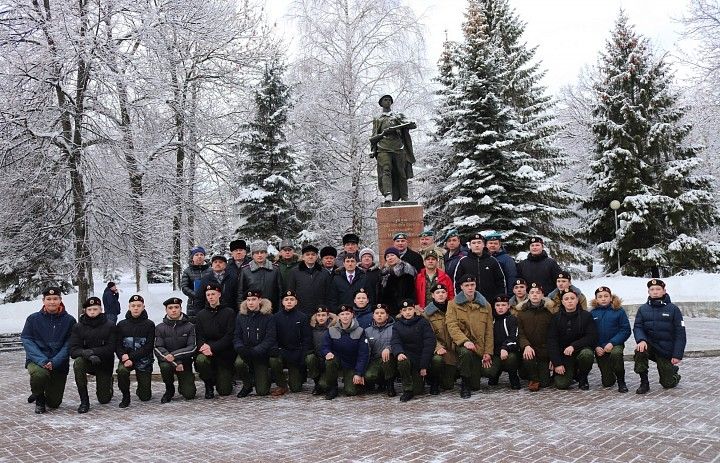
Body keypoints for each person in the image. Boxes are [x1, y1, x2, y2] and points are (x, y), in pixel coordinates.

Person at [21, 287, 76, 414]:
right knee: (40, 374)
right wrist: (42, 360)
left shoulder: (69, 320)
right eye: (49, 299)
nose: (52, 302)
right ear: (43, 300)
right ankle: (39, 397)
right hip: (36, 360)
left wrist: (54, 361)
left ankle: (38, 391)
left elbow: (69, 344)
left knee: (54, 403)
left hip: (58, 363)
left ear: (60, 300)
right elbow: (27, 340)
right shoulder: (33, 319)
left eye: (55, 299)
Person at [633, 279, 686, 394]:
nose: (655, 292)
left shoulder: (673, 309)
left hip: (665, 350)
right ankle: (644, 383)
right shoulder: (643, 309)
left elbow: (680, 333)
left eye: (658, 289)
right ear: (648, 292)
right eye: (652, 289)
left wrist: (677, 355)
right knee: (640, 351)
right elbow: (638, 327)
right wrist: (641, 340)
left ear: (664, 291)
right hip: (650, 346)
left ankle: (673, 372)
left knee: (667, 384)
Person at [446, 275, 494, 399]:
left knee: (476, 385)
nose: (470, 288)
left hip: (478, 347)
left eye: (472, 285)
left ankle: (469, 378)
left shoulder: (486, 305)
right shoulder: (453, 304)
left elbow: (489, 330)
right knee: (465, 353)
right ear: (461, 287)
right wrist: (464, 341)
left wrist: (488, 352)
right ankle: (464, 384)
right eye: (467, 285)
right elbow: (452, 325)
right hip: (461, 344)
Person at [69, 296, 116, 413]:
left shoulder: (110, 325)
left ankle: (109, 384)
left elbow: (111, 348)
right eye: (89, 310)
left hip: (104, 362)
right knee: (78, 363)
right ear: (85, 311)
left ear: (101, 309)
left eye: (95, 309)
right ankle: (84, 401)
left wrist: (94, 352)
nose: (92, 312)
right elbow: (73, 350)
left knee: (104, 399)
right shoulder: (78, 327)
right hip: (87, 361)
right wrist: (87, 354)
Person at [547, 289, 598, 390]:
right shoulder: (556, 318)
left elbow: (591, 336)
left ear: (577, 300)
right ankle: (572, 372)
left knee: (587, 354)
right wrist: (557, 363)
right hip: (564, 355)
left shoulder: (586, 316)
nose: (569, 301)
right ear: (562, 302)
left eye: (572, 298)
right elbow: (552, 341)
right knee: (561, 385)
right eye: (566, 299)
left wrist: (573, 346)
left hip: (580, 350)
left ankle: (583, 377)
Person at [370, 94, 417, 202]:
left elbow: (412, 125)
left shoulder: (398, 115)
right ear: (381, 103)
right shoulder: (377, 118)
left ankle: (405, 196)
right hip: (383, 148)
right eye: (385, 100)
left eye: (389, 100)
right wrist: (373, 150)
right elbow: (374, 136)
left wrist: (409, 124)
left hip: (398, 148)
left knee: (401, 172)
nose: (387, 102)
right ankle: (388, 194)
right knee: (386, 170)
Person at [194, 282, 236, 398]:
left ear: (219, 295)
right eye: (208, 295)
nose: (211, 297)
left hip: (224, 353)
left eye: (213, 294)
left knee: (224, 391)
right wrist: (204, 347)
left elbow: (229, 336)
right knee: (201, 360)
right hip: (207, 353)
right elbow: (199, 336)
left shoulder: (229, 312)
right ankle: (208, 384)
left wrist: (212, 347)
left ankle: (223, 377)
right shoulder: (201, 315)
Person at [321, 304, 370, 400]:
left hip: (351, 365)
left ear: (352, 315)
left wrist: (358, 373)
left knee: (350, 392)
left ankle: (354, 382)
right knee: (323, 384)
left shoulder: (360, 331)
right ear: (338, 316)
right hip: (336, 363)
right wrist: (327, 353)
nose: (345, 316)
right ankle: (333, 388)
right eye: (342, 314)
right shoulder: (331, 330)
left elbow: (363, 354)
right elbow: (324, 347)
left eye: (347, 314)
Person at [234, 289, 277, 398]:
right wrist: (240, 348)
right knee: (239, 363)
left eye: (254, 299)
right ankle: (247, 385)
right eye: (248, 300)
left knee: (262, 391)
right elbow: (237, 336)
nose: (251, 302)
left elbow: (270, 338)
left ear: (260, 300)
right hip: (245, 352)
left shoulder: (268, 317)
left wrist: (257, 350)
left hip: (261, 355)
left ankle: (266, 376)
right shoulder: (241, 316)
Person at [115, 294, 155, 408]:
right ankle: (125, 396)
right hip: (125, 358)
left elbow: (148, 347)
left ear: (143, 307)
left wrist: (130, 357)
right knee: (122, 371)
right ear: (129, 307)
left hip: (143, 360)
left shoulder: (149, 324)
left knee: (145, 397)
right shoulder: (122, 324)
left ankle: (141, 389)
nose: (136, 308)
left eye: (139, 305)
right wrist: (123, 356)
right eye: (133, 306)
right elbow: (117, 344)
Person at [392, 300, 436, 402]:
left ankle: (428, 379)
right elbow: (395, 341)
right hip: (407, 358)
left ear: (414, 310)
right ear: (401, 312)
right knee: (402, 361)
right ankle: (407, 389)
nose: (408, 312)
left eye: (410, 309)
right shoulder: (397, 325)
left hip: (420, 358)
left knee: (418, 390)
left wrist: (423, 366)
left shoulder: (423, 322)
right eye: (405, 310)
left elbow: (429, 343)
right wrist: (399, 353)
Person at [516, 282, 558, 391]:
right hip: (529, 350)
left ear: (542, 295)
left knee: (545, 383)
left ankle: (544, 374)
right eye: (532, 292)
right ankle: (533, 379)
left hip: (544, 352)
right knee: (527, 359)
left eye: (538, 293)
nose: (535, 295)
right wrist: (526, 345)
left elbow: (553, 336)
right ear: (528, 295)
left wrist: (552, 357)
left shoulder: (549, 313)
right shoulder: (521, 313)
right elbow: (520, 333)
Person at [154, 297, 197, 403]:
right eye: (170, 308)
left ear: (181, 308)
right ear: (166, 310)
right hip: (167, 362)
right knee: (164, 366)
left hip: (184, 363)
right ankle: (169, 389)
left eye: (176, 307)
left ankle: (183, 385)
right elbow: (158, 348)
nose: (174, 310)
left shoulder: (190, 327)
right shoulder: (160, 328)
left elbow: (192, 347)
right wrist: (175, 362)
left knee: (189, 394)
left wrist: (175, 357)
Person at [270, 290, 313, 396]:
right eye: (286, 299)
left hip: (296, 353)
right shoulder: (275, 317)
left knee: (296, 388)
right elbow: (272, 337)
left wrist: (301, 354)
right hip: (281, 351)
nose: (289, 302)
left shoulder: (302, 317)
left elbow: (307, 338)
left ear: (296, 302)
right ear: (282, 302)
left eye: (292, 299)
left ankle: (294, 380)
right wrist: (278, 350)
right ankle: (282, 384)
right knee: (274, 360)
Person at [591, 286, 631, 393]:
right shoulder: (592, 313)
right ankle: (611, 375)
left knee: (616, 354)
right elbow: (589, 333)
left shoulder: (619, 311)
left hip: (615, 344)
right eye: (600, 297)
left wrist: (612, 343)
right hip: (600, 347)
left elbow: (625, 330)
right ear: (596, 299)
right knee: (607, 382)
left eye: (606, 296)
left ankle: (621, 381)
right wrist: (596, 346)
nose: (603, 299)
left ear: (611, 297)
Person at [423, 283, 458, 394]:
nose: (441, 295)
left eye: (443, 292)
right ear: (433, 295)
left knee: (448, 386)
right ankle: (433, 380)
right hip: (437, 349)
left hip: (453, 348)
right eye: (437, 293)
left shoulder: (454, 309)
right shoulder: (427, 314)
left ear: (447, 294)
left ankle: (452, 374)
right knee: (437, 361)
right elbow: (428, 335)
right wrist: (437, 347)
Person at [453, 233, 506, 300]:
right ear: (470, 245)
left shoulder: (492, 261)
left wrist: (499, 300)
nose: (477, 245)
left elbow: (500, 282)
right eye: (474, 243)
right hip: (469, 302)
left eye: (479, 242)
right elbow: (457, 283)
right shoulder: (463, 261)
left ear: (483, 244)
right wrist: (461, 299)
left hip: (490, 302)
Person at [486, 295, 521, 390]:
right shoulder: (490, 320)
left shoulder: (512, 319)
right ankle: (495, 374)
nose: (500, 307)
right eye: (497, 305)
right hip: (495, 353)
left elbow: (514, 338)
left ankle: (513, 376)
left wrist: (505, 347)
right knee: (489, 374)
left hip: (509, 351)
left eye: (503, 305)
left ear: (508, 306)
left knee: (512, 358)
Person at [287, 244, 332, 317]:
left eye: (313, 254)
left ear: (317, 257)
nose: (310, 256)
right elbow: (291, 292)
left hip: (319, 312)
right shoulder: (294, 272)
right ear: (303, 257)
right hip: (300, 311)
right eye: (307, 254)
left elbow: (329, 294)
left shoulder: (324, 273)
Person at [238, 240, 282, 311]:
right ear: (252, 255)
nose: (259, 255)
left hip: (272, 310)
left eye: (262, 252)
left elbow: (280, 292)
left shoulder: (275, 269)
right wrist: (243, 310)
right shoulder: (245, 270)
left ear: (266, 254)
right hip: (252, 310)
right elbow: (240, 293)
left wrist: (280, 310)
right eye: (256, 253)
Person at [363, 303, 397, 396]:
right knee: (369, 376)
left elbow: (398, 342)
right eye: (377, 313)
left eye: (382, 313)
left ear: (387, 316)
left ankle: (390, 385)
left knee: (387, 359)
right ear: (373, 316)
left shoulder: (395, 328)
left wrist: (389, 348)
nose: (379, 315)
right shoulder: (367, 331)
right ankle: (381, 382)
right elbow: (366, 348)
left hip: (391, 358)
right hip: (375, 359)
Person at [307, 306, 338, 395]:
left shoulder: (334, 328)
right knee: (309, 358)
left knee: (324, 385)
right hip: (317, 359)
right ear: (315, 317)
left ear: (328, 316)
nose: (321, 318)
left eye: (323, 315)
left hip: (329, 360)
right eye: (319, 315)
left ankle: (330, 385)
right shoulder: (311, 329)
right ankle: (317, 383)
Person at [378, 247, 417, 316]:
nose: (390, 258)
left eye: (392, 255)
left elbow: (411, 293)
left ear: (398, 257)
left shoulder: (407, 270)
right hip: (388, 311)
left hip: (404, 309)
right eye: (387, 256)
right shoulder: (383, 273)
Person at [180, 246, 211, 319]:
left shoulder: (211, 270)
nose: (199, 257)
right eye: (196, 255)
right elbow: (184, 287)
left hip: (210, 302)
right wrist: (197, 295)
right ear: (192, 257)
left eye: (201, 254)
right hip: (193, 304)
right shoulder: (187, 271)